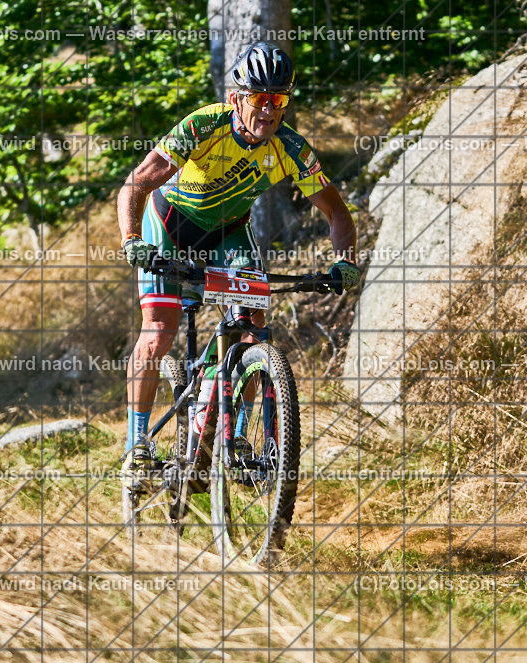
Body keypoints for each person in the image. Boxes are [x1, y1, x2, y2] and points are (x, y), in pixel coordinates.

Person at [116, 41, 360, 473]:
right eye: (259, 98)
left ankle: (237, 439)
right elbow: (135, 184)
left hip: (229, 233)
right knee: (158, 333)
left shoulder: (291, 148)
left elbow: (337, 212)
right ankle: (138, 444)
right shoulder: (202, 127)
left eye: (278, 99)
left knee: (253, 326)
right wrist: (133, 239)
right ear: (236, 98)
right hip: (169, 227)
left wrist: (345, 262)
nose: (269, 109)